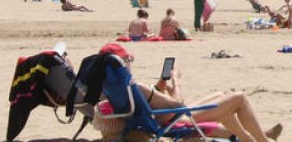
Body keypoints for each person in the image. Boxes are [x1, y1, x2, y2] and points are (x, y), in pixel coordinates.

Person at [103, 44, 282, 142]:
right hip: (175, 120)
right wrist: (176, 82)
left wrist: (160, 88)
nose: (131, 63)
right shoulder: (137, 86)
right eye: (129, 60)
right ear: (122, 63)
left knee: (220, 96)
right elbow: (178, 106)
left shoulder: (112, 88)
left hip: (158, 118)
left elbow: (147, 104)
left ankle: (250, 139)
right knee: (239, 99)